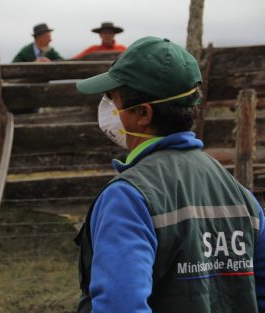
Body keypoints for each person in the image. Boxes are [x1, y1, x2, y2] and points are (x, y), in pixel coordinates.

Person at [74, 36, 265, 313]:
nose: (108, 109)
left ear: (143, 114)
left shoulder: (128, 197)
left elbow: (121, 306)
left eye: (112, 98)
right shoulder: (240, 195)